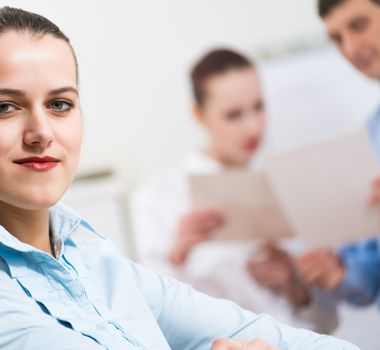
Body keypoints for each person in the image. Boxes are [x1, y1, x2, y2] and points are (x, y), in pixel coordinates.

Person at [0, 7, 357, 350]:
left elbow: (278, 336)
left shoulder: (104, 268)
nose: (40, 133)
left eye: (59, 104)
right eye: (5, 106)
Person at [130, 49, 338, 333]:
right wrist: (177, 257)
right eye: (233, 115)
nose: (253, 126)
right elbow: (154, 321)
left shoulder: (285, 183)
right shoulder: (159, 198)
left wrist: (293, 282)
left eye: (259, 107)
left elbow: (327, 322)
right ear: (200, 115)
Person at [296, 0, 380, 307]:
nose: (351, 48)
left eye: (359, 25)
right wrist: (342, 274)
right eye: (336, 38)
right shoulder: (373, 134)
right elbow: (372, 265)